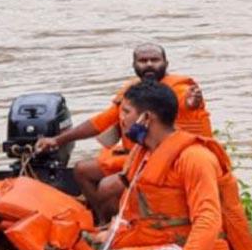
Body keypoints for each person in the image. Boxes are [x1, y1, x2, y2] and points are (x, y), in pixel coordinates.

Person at [70, 81, 252, 250]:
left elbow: (208, 221)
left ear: (146, 118)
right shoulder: (142, 153)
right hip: (156, 241)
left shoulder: (194, 158)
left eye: (126, 112)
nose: (121, 119)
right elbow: (129, 215)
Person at [36, 43, 212, 222]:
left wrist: (191, 104)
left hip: (167, 158)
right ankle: (105, 221)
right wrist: (57, 140)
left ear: (166, 63)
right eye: (143, 61)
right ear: (134, 65)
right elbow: (100, 122)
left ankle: (123, 223)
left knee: (107, 187)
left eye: (154, 60)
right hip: (136, 155)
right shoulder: (132, 93)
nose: (149, 64)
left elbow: (186, 104)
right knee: (82, 170)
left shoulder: (180, 90)